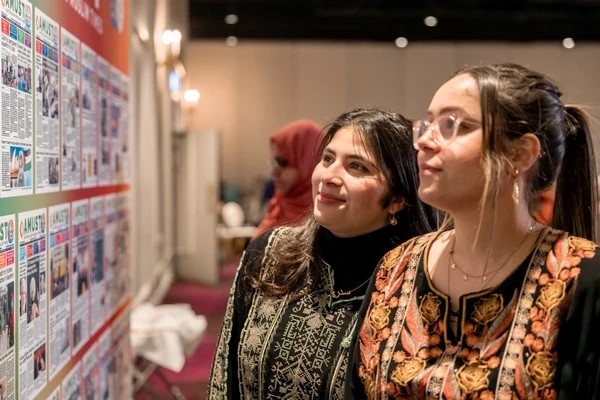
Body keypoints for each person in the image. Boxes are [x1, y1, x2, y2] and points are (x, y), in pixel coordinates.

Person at [348, 63, 600, 399]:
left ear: (521, 154)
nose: (424, 141)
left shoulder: (582, 277)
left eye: (452, 125)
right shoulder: (396, 268)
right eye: (427, 124)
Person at [208, 108, 439, 399]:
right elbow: (224, 375)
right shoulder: (269, 253)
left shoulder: (413, 284)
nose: (330, 175)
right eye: (327, 159)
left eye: (357, 167)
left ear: (396, 200)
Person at [253, 119, 323, 238]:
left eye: (283, 162)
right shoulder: (278, 206)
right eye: (273, 163)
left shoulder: (328, 220)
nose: (274, 172)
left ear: (308, 162)